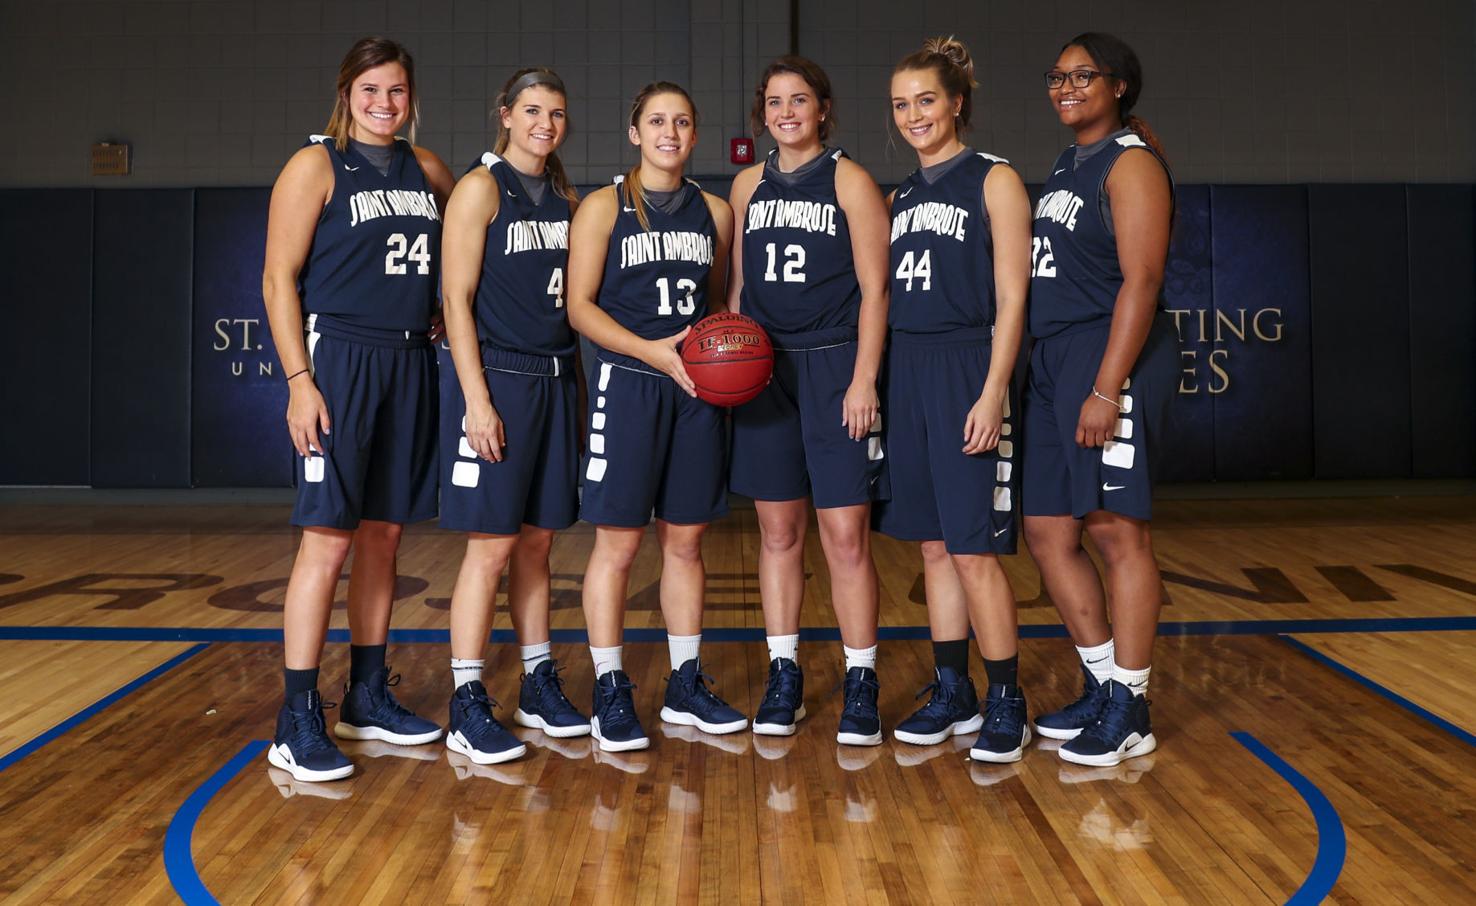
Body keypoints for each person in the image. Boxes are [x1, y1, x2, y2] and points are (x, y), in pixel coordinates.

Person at [260, 36, 455, 781]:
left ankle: (366, 696)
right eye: (371, 90)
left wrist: (439, 305)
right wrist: (299, 380)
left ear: (412, 98)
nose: (384, 104)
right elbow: (280, 279)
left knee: (384, 538)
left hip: (409, 359)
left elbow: (458, 248)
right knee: (328, 541)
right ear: (347, 94)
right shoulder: (314, 166)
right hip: (339, 359)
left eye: (397, 91)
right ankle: (296, 716)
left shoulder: (427, 168)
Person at [564, 82, 740, 752]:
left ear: (695, 135)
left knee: (686, 543)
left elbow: (717, 303)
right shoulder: (604, 208)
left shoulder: (716, 213)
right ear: (634, 132)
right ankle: (610, 688)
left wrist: (712, 360)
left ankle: (685, 684)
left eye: (683, 122)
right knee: (617, 545)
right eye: (657, 121)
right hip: (630, 382)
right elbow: (580, 307)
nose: (670, 131)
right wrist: (651, 353)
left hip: (694, 392)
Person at [878, 37, 1034, 763]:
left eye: (926, 101)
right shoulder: (902, 194)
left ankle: (1007, 699)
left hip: (969, 363)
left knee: (974, 550)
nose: (914, 115)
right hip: (908, 369)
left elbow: (1012, 296)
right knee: (934, 546)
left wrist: (994, 390)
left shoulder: (994, 178)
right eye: (902, 105)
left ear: (957, 103)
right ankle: (953, 688)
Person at [726, 57, 890, 745]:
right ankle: (784, 672)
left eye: (799, 100)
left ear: (823, 108)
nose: (786, 111)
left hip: (831, 367)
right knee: (777, 533)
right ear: (761, 113)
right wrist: (731, 367)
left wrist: (863, 378)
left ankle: (861, 680)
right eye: (774, 101)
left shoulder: (850, 181)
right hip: (765, 371)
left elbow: (877, 291)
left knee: (845, 535)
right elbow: (737, 287)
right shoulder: (745, 185)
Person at [1024, 32, 1177, 767]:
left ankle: (1133, 705)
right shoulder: (1064, 165)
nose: (1066, 87)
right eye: (1057, 76)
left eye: (1082, 76)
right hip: (1054, 358)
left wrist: (1105, 388)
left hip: (1104, 355)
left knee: (1117, 533)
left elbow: (1140, 284)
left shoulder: (1133, 164)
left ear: (1118, 86)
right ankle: (1101, 680)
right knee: (1049, 530)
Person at [438, 68, 589, 766]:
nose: (545, 124)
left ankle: (536, 680)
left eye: (555, 113)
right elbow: (456, 302)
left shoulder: (566, 196)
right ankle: (467, 700)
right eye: (532, 110)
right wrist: (475, 399)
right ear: (505, 113)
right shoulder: (479, 189)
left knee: (537, 545)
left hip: (558, 379)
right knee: (491, 547)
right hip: (498, 379)